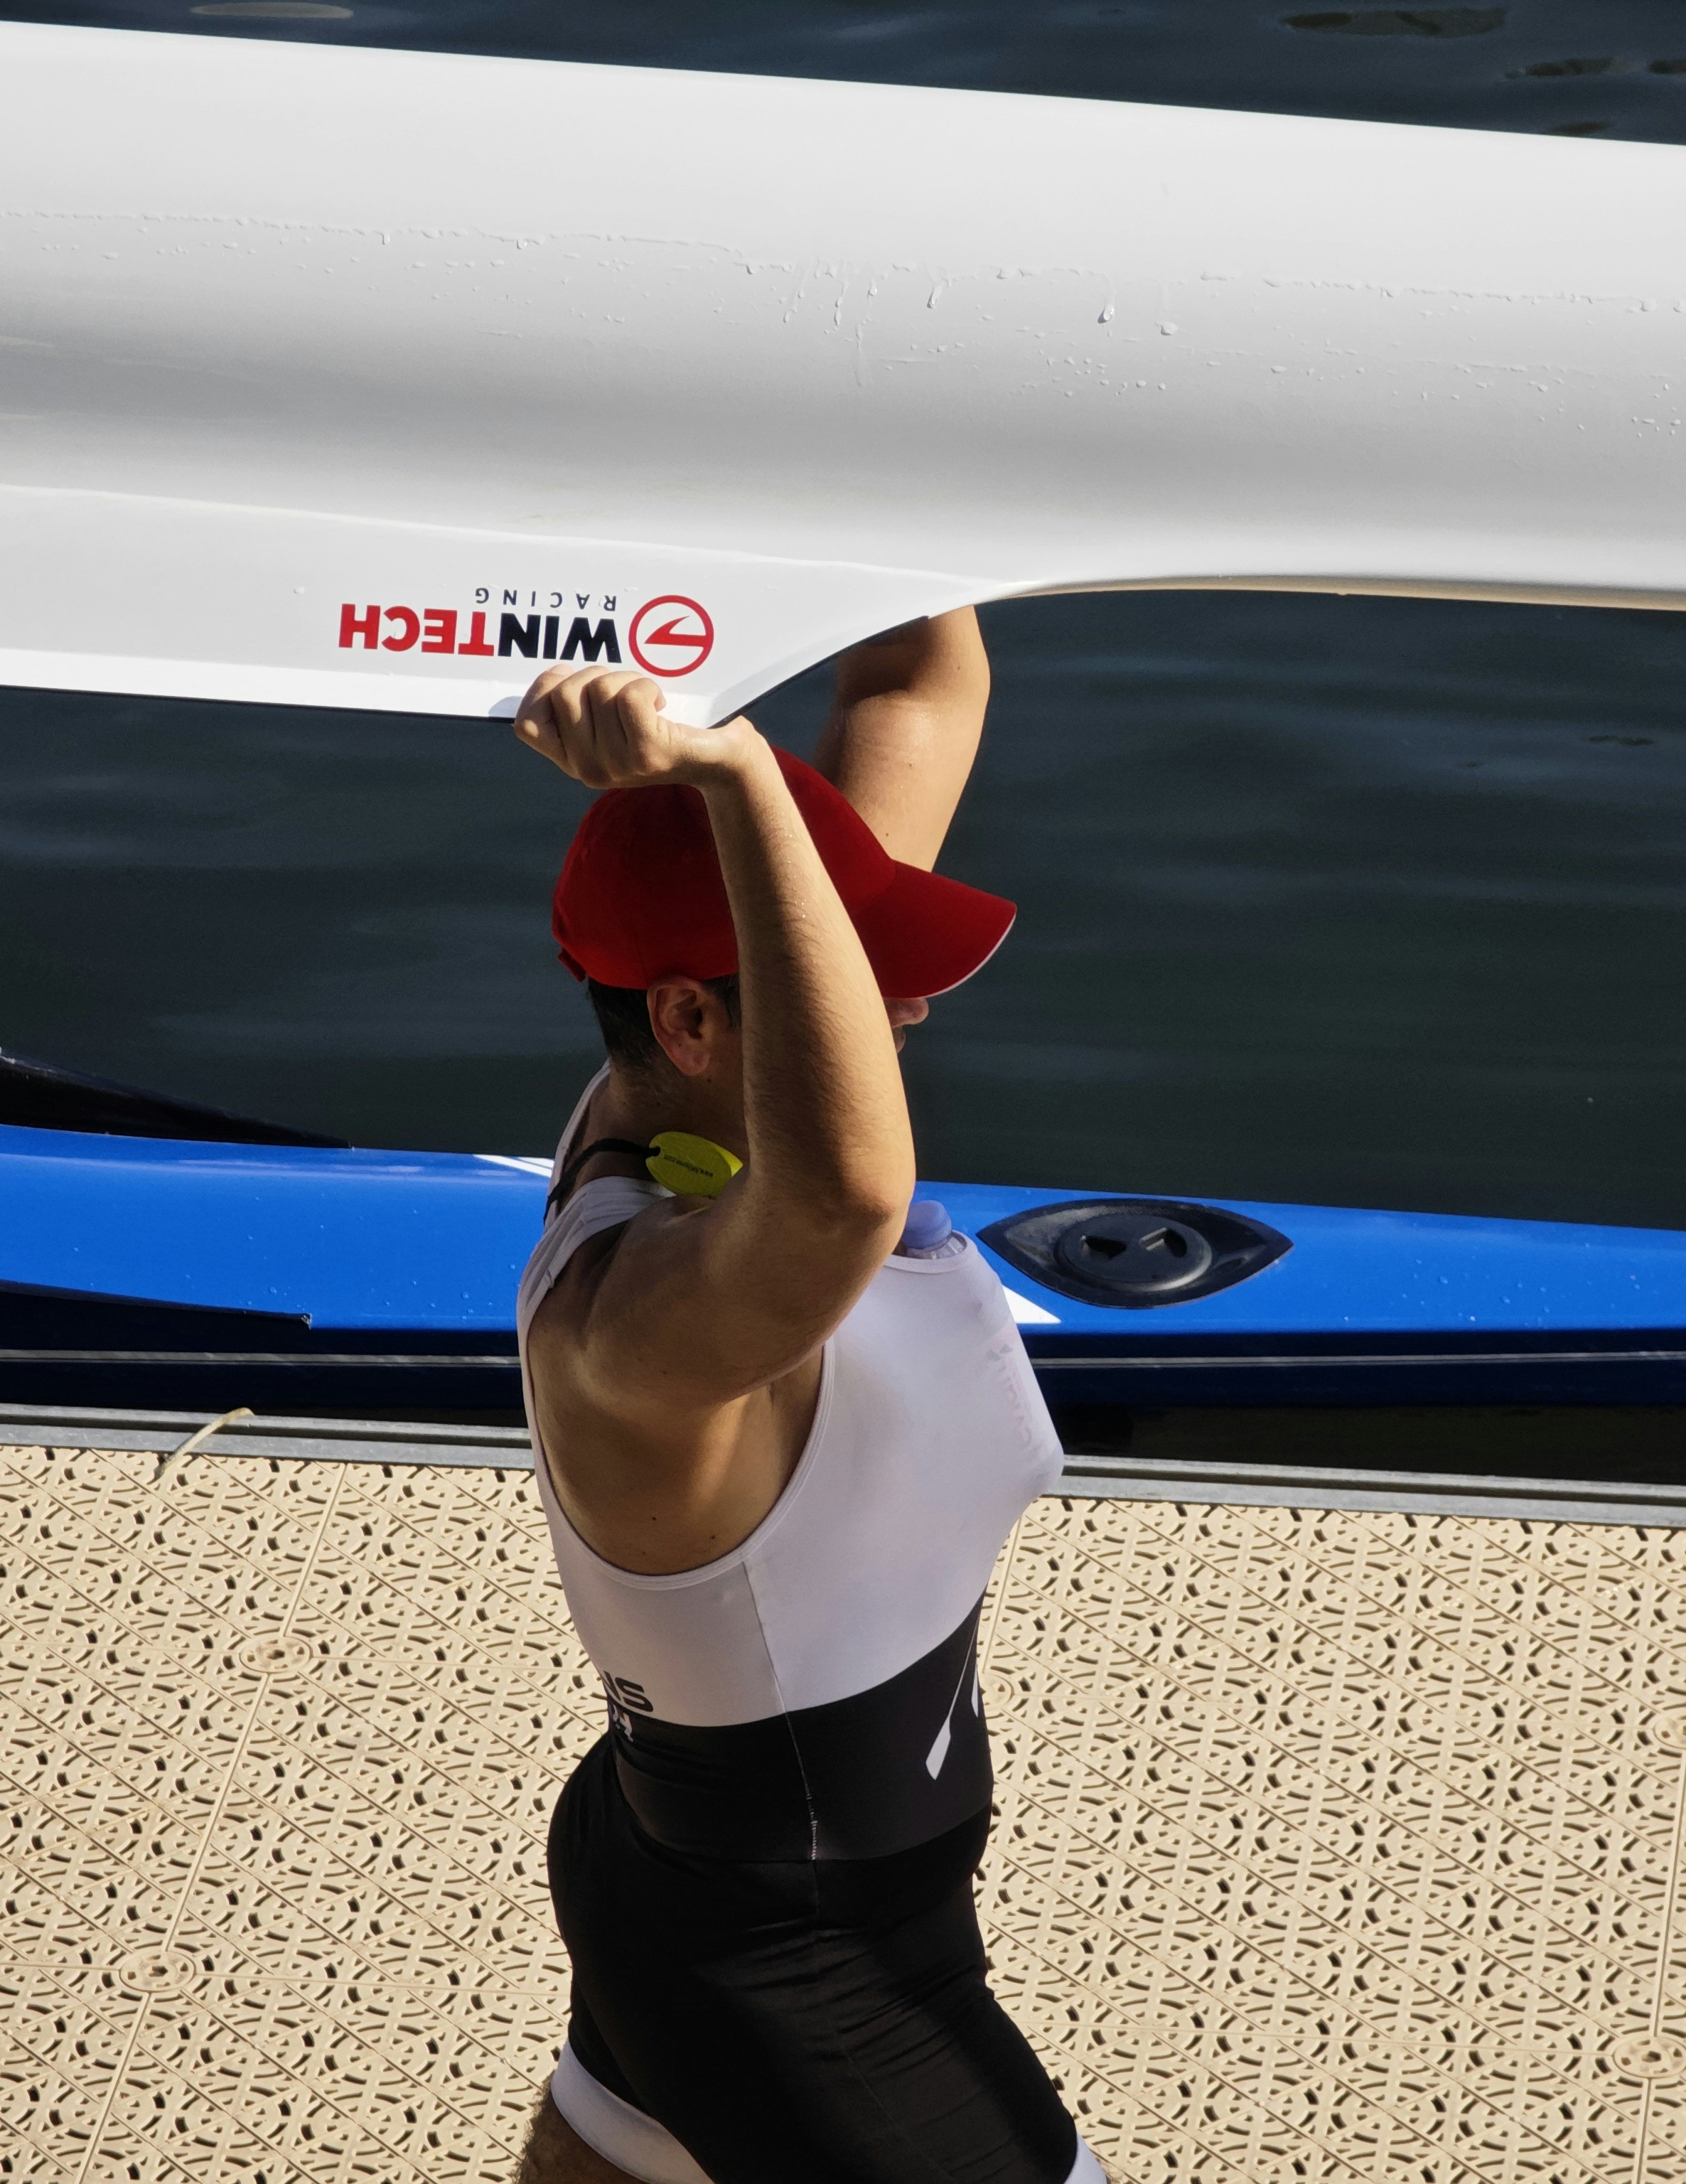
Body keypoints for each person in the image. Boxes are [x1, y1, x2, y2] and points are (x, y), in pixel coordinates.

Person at [507, 611, 1103, 2184]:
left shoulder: (690, 1083)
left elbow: (916, 682)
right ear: (693, 1019)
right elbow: (847, 1197)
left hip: (697, 1869)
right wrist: (733, 771)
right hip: (809, 1974)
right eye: (858, 972)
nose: (899, 1011)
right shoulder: (637, 1331)